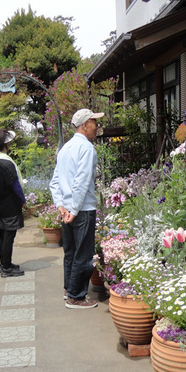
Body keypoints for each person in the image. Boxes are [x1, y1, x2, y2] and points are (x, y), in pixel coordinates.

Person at [49, 108, 104, 309]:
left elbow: (54, 182)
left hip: (68, 211)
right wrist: (73, 210)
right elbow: (81, 182)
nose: (97, 127)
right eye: (94, 122)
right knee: (84, 253)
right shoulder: (87, 149)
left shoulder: (65, 149)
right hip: (82, 209)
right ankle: (76, 297)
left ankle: (69, 290)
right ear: (84, 125)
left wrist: (61, 206)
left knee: (71, 252)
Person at [0, 129, 26, 278]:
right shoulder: (5, 163)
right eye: (8, 141)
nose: (10, 143)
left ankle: (4, 263)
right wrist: (23, 200)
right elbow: (15, 185)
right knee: (9, 236)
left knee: (3, 235)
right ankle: (7, 268)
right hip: (10, 204)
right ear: (4, 144)